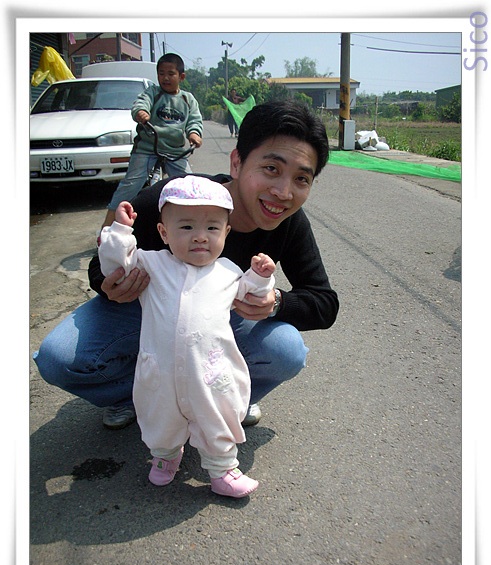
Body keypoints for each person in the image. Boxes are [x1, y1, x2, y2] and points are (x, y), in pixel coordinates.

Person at [33, 100, 339, 433]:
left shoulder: (289, 223)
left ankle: (228, 398)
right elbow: (100, 264)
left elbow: (324, 302)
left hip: (221, 319)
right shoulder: (175, 200)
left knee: (286, 351)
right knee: (58, 358)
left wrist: (275, 302)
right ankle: (140, 397)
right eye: (271, 169)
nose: (283, 192)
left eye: (301, 179)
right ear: (237, 163)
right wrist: (110, 284)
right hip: (148, 309)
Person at [98, 176, 275, 497]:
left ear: (226, 232)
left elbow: (253, 293)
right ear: (164, 232)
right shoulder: (152, 264)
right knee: (160, 417)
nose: (200, 236)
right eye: (186, 227)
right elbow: (115, 264)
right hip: (160, 371)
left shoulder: (229, 272)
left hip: (211, 372)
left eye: (212, 228)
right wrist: (120, 231)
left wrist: (262, 278)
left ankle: (223, 469)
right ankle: (165, 456)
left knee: (216, 419)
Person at [104, 53, 203, 226]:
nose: (165, 78)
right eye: (161, 73)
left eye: (171, 74)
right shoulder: (152, 92)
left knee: (188, 186)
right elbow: (140, 103)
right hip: (147, 148)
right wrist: (141, 112)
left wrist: (194, 134)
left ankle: (192, 225)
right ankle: (107, 227)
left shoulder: (188, 99)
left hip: (175, 152)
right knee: (130, 185)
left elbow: (194, 120)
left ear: (181, 77)